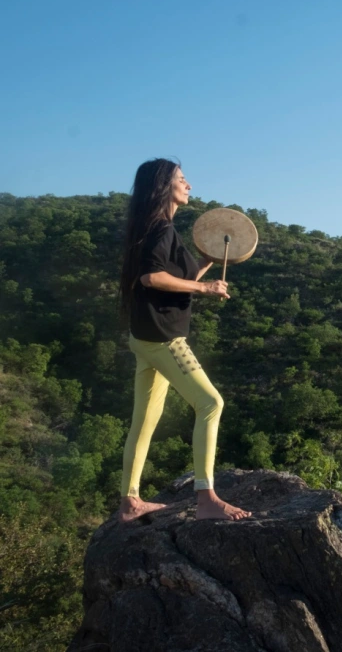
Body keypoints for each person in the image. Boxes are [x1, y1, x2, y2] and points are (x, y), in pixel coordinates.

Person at [115, 158, 250, 522]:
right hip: (163, 338)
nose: (189, 185)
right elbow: (151, 278)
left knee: (144, 420)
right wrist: (204, 287)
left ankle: (130, 502)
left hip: (143, 337)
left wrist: (207, 263)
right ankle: (206, 498)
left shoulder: (152, 228)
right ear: (164, 187)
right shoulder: (162, 230)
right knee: (211, 403)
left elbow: (178, 272)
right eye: (182, 180)